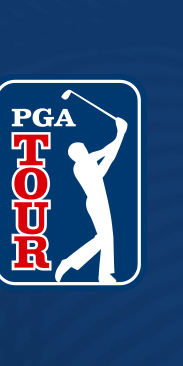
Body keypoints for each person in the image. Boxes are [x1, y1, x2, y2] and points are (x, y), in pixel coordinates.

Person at [54, 116, 128, 284]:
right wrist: (121, 132)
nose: (85, 149)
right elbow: (105, 152)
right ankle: (70, 263)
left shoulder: (89, 164)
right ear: (76, 155)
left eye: (84, 147)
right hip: (95, 202)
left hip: (100, 201)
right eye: (81, 149)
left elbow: (108, 159)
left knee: (105, 238)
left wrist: (120, 134)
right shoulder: (80, 165)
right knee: (104, 238)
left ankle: (103, 275)